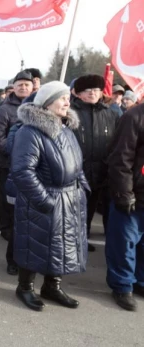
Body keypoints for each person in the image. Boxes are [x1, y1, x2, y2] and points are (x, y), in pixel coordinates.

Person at [10, 81, 89, 312]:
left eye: (67, 97)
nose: (67, 102)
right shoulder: (30, 132)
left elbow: (77, 163)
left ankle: (52, 286)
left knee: (59, 246)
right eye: (62, 98)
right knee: (33, 244)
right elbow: (22, 171)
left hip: (69, 198)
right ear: (47, 103)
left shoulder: (65, 128)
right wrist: (45, 200)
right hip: (43, 199)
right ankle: (25, 287)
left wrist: (82, 186)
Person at [0, 70, 33, 275]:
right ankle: (6, 230)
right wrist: (18, 152)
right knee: (9, 203)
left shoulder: (38, 107)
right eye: (20, 84)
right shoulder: (4, 109)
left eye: (27, 84)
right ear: (13, 87)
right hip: (10, 165)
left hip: (34, 168)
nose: (23, 87)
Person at [71, 74, 118, 252]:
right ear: (79, 93)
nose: (92, 93)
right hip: (76, 171)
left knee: (90, 209)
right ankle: (72, 241)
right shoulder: (70, 113)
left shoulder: (111, 114)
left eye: (96, 90)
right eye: (87, 90)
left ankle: (84, 238)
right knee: (75, 210)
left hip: (101, 172)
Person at [106, 102, 144, 311]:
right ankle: (122, 285)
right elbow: (121, 157)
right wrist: (124, 193)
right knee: (124, 245)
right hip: (133, 196)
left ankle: (141, 281)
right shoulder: (134, 116)